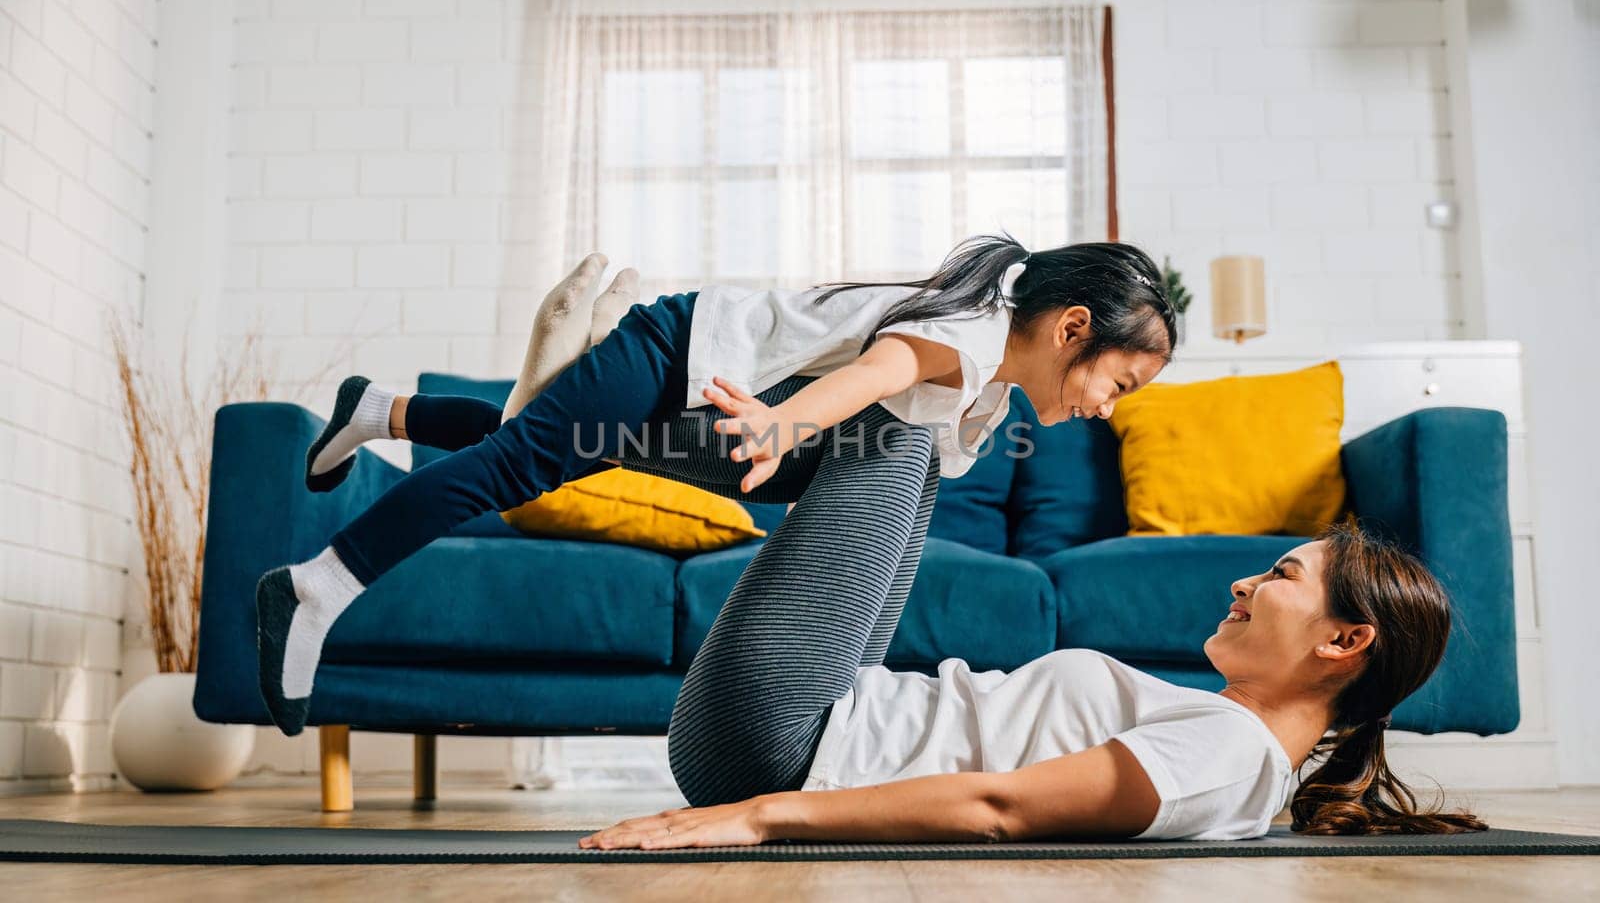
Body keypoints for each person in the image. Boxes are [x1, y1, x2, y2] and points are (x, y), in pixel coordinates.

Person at [253, 231, 1176, 825]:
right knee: (519, 468)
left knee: (558, 442)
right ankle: (316, 587)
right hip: (679, 353)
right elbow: (883, 370)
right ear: (1072, 329)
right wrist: (787, 425)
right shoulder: (970, 336)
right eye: (1118, 384)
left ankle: (384, 410)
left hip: (725, 396)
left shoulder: (984, 385)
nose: (1106, 409)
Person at [578, 524, 1489, 847]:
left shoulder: (1226, 754)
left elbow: (1000, 806)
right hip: (814, 714)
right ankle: (563, 425)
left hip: (793, 741)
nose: (1244, 584)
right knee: (917, 445)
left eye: (1282, 575)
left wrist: (762, 813)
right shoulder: (1223, 737)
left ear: (1344, 639)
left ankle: (559, 425)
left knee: (898, 434)